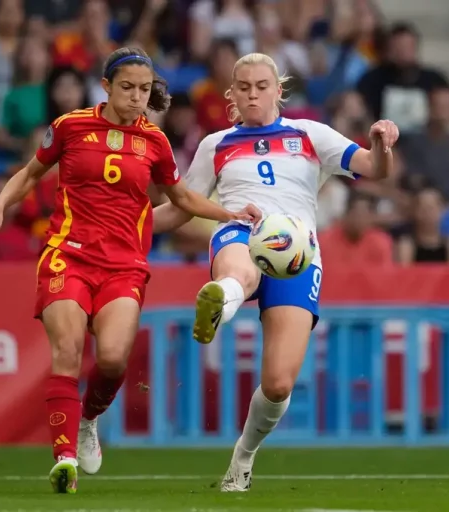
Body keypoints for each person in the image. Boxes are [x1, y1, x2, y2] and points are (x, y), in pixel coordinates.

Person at [0, 47, 260, 494]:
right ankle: (64, 459)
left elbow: (181, 199)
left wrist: (230, 214)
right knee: (68, 351)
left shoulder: (155, 142)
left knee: (111, 359)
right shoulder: (70, 126)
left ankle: (88, 420)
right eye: (127, 87)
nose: (136, 97)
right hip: (68, 254)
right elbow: (29, 174)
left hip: (124, 263)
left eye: (144, 89)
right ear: (106, 87)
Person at [152, 52, 399, 492]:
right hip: (240, 232)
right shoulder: (216, 144)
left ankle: (243, 457)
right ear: (231, 93)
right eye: (244, 87)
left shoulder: (310, 134)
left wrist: (382, 143)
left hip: (298, 256)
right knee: (240, 269)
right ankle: (222, 299)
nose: (252, 94)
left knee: (279, 383)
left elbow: (375, 169)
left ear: (278, 91)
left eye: (261, 86)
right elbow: (181, 208)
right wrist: (123, 223)